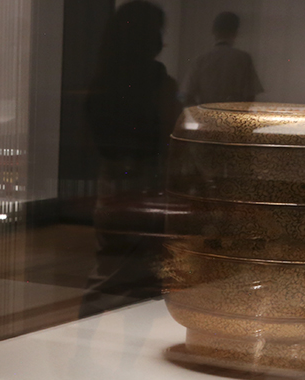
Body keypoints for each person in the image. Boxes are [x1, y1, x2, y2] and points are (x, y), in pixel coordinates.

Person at [80, 0, 181, 314]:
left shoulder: (103, 80)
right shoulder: (156, 80)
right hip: (145, 181)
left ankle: (84, 338)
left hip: (113, 179)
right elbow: (169, 134)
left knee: (112, 270)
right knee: (139, 272)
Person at [182, 11, 263, 106]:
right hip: (233, 112)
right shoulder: (243, 59)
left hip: (207, 113)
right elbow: (250, 95)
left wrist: (201, 112)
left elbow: (187, 95)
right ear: (235, 32)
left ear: (213, 31)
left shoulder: (200, 60)